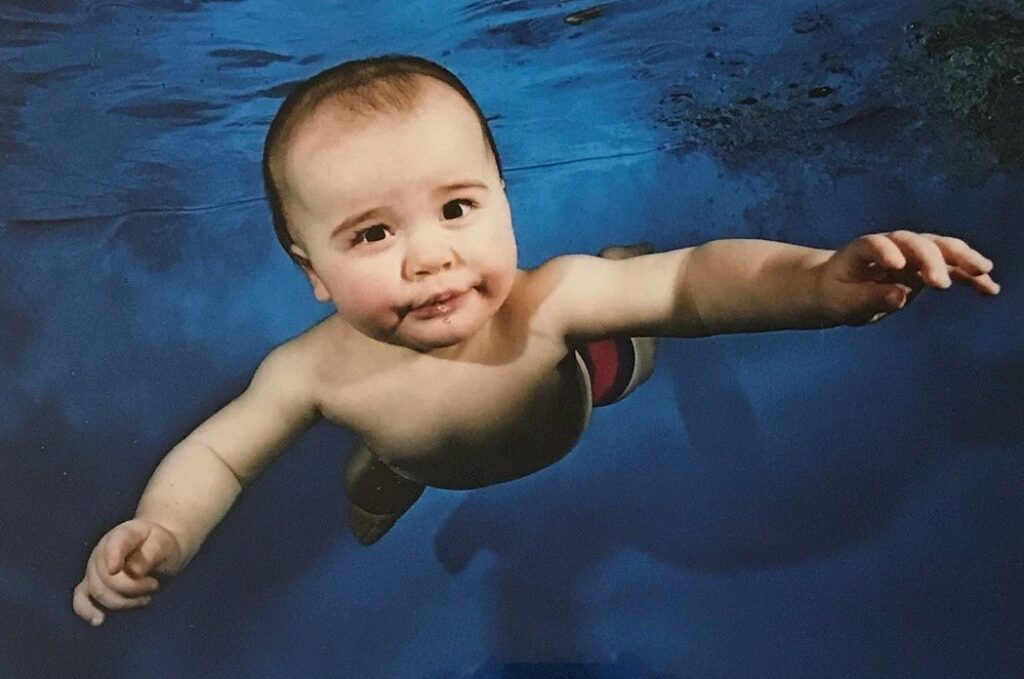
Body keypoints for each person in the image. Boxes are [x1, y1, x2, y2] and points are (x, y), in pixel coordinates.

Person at [72, 55, 999, 627]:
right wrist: (165, 527)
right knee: (383, 468)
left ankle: (617, 275)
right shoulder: (311, 371)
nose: (430, 257)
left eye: (457, 208)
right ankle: (398, 473)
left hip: (575, 392)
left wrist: (816, 281)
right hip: (411, 446)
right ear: (312, 270)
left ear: (504, 201)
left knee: (635, 332)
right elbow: (220, 455)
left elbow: (694, 283)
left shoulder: (548, 301)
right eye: (373, 234)